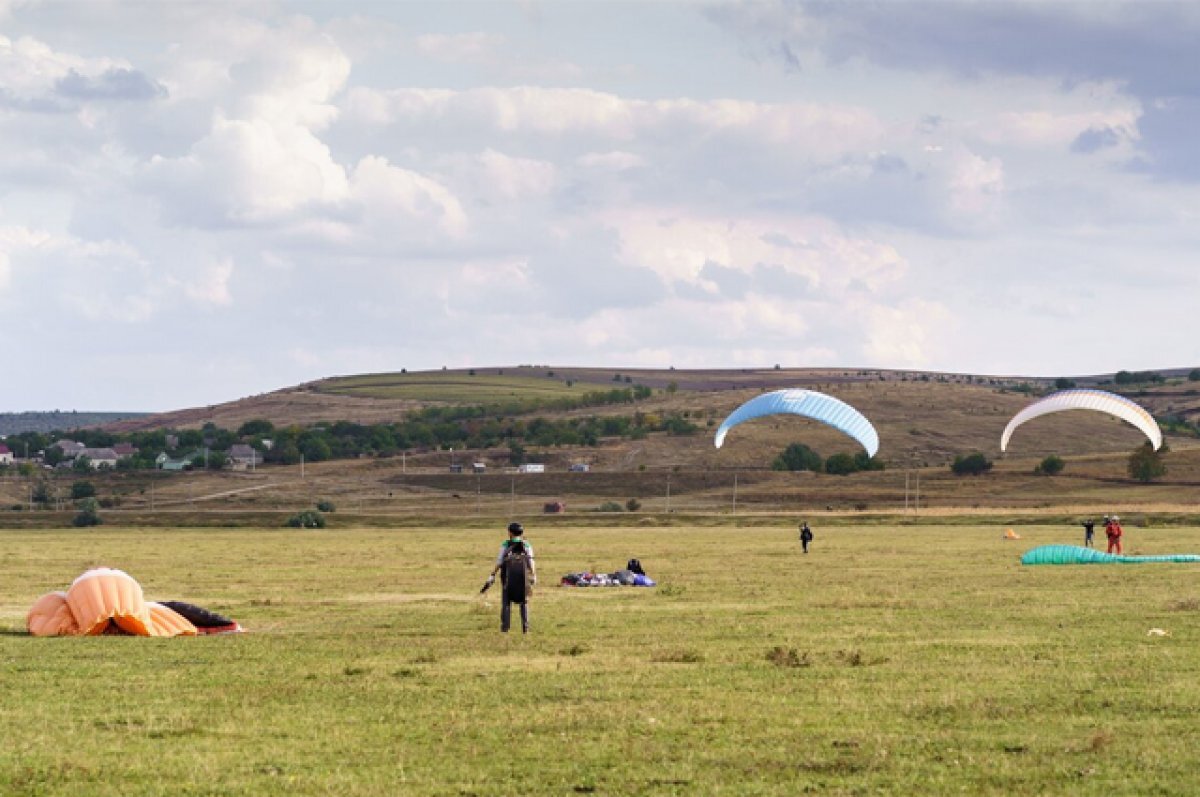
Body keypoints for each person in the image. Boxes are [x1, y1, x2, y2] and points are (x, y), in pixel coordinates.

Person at [485, 522, 536, 633]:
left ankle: (505, 628)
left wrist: (492, 574)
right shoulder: (527, 545)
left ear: (510, 533)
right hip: (523, 579)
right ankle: (525, 628)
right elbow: (531, 561)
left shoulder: (505, 544)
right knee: (524, 603)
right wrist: (533, 575)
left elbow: (499, 561)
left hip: (508, 578)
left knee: (506, 604)